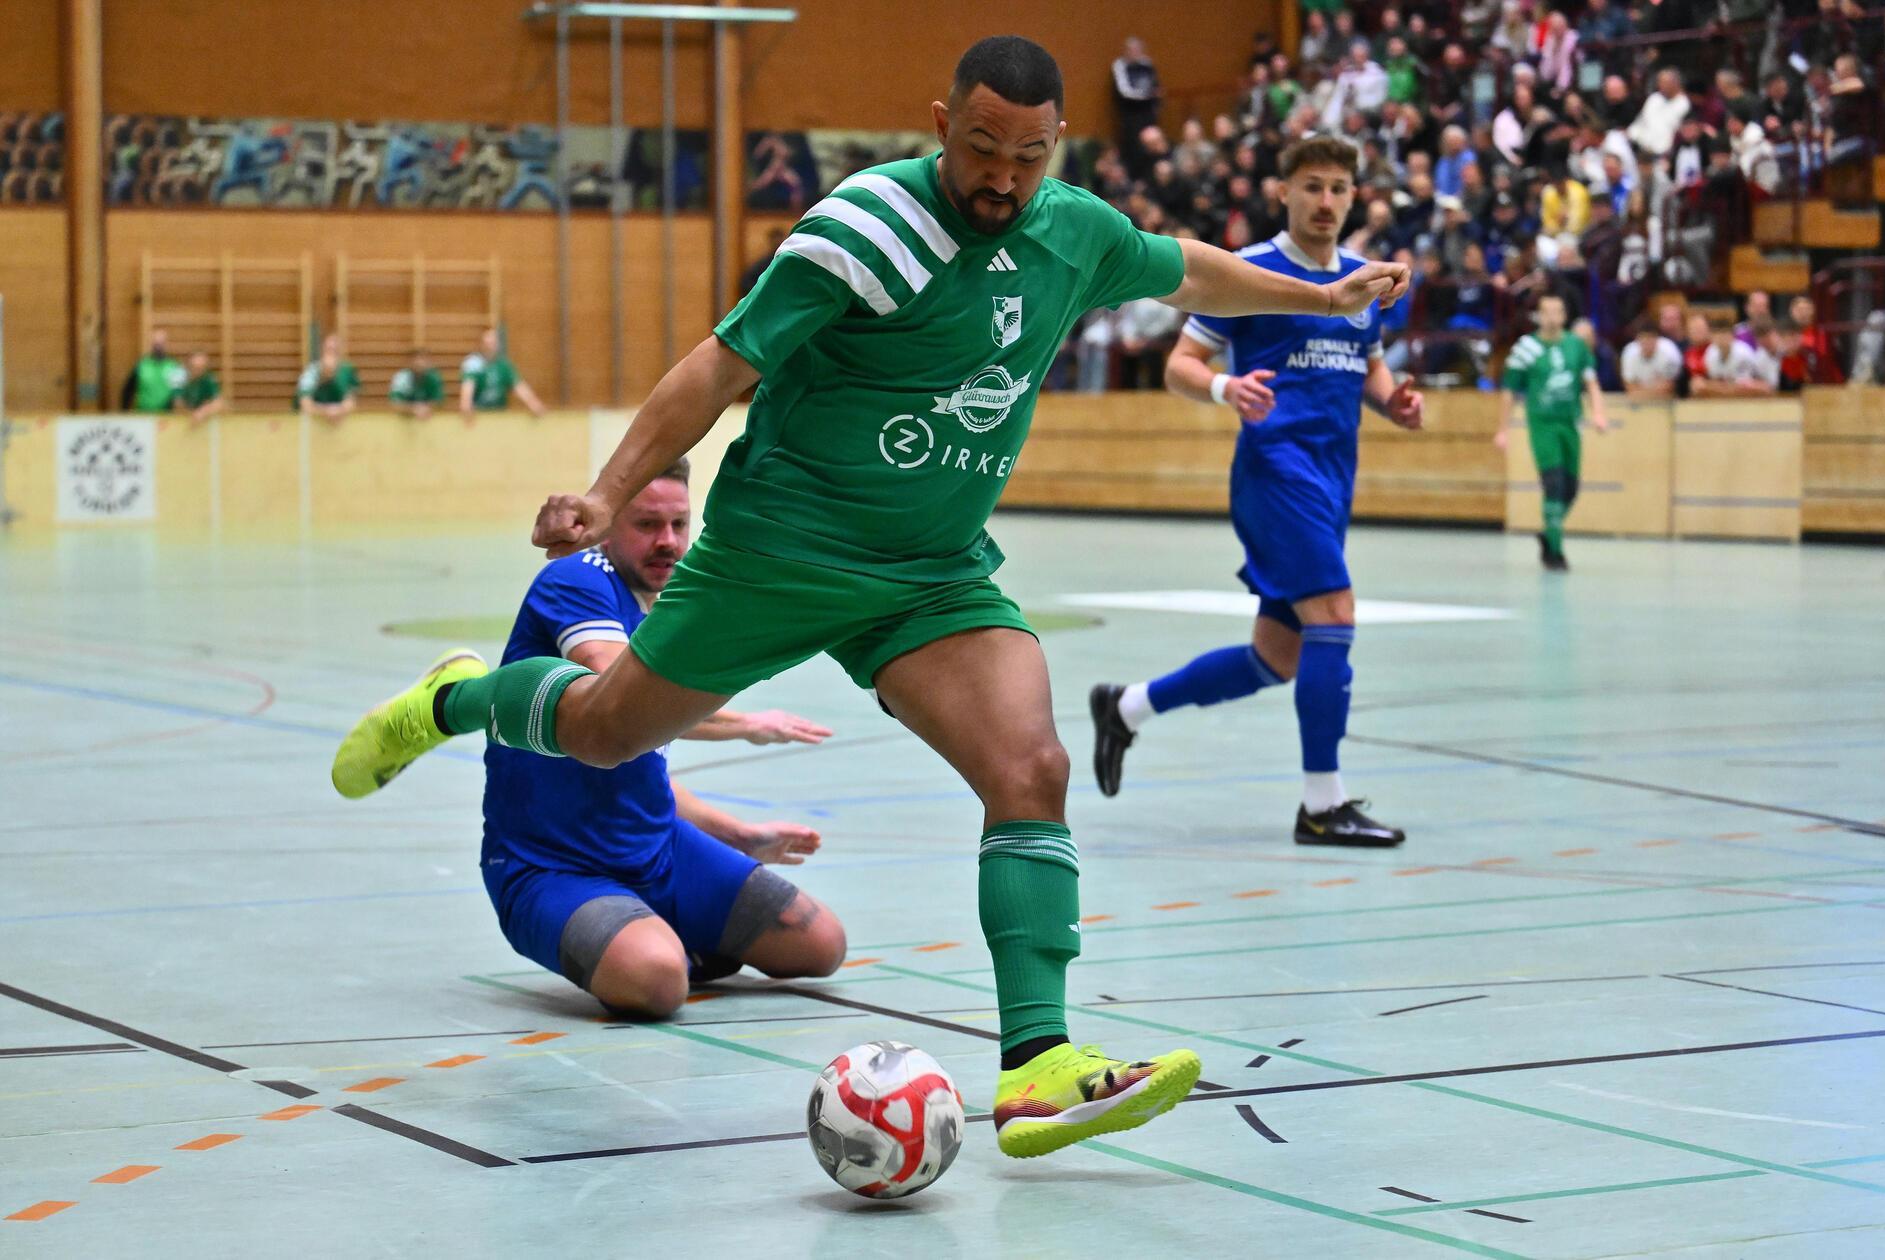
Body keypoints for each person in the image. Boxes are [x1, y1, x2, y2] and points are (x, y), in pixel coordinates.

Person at [332, 36, 1407, 1161]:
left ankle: (1037, 1064)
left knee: (1029, 768)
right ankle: (456, 701)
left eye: (1027, 156)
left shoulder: (1071, 230)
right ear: (941, 124)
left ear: (1054, 150)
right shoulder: (866, 228)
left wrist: (1318, 295)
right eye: (981, 147)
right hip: (780, 550)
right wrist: (608, 494)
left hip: (931, 571)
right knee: (602, 733)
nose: (1001, 175)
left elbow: (1185, 268)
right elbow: (719, 363)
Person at [1090, 135, 1423, 848]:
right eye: (1312, 186)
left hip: (1334, 480)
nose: (1325, 200)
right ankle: (1322, 805)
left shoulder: (1365, 280)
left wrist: (1392, 402)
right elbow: (1180, 361)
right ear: (1284, 191)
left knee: (1279, 657)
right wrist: (1222, 386)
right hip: (1275, 471)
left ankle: (1127, 708)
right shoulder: (1250, 273)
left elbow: (1368, 366)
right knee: (1335, 614)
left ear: (1354, 196)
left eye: (1338, 187)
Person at [473, 458, 844, 1015]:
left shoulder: (669, 606)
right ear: (607, 522)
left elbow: (650, 775)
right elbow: (627, 697)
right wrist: (747, 725)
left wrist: (739, 835)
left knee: (820, 944)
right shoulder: (576, 578)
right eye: (647, 525)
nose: (667, 542)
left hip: (658, 852)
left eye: (679, 524)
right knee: (658, 983)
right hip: (550, 866)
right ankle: (647, 942)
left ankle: (657, 930)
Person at [1496, 293, 1608, 571]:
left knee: (1571, 488)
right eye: (1547, 312)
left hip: (1570, 424)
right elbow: (1509, 390)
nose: (1552, 317)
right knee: (1554, 483)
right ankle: (1555, 552)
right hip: (1542, 424)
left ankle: (1548, 532)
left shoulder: (1576, 346)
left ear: (1564, 315)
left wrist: (1598, 413)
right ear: (1539, 316)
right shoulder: (1527, 348)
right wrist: (1503, 429)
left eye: (1558, 312)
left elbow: (1591, 382)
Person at [461, 328, 546, 418]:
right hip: (480, 413)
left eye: (494, 343)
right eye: (488, 343)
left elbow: (518, 386)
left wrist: (532, 403)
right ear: (482, 344)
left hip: (499, 413)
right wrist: (466, 405)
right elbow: (468, 387)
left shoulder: (503, 365)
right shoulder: (473, 363)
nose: (491, 346)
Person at [119, 327, 187, 413]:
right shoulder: (141, 365)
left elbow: (179, 394)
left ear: (167, 344)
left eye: (161, 343)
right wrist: (124, 411)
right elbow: (128, 390)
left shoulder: (175, 367)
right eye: (155, 344)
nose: (158, 347)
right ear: (151, 344)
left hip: (166, 418)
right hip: (143, 417)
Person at [296, 333, 359, 425]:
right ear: (323, 350)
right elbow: (305, 404)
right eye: (329, 349)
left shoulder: (347, 371)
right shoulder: (311, 372)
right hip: (310, 425)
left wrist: (339, 411)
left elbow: (351, 401)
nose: (332, 354)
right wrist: (326, 411)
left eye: (335, 350)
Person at [1619, 317, 1682, 399]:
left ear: (1657, 339)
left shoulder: (1670, 353)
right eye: (1643, 338)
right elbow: (1630, 388)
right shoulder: (1629, 353)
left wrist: (1641, 391)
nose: (1647, 343)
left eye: (1650, 338)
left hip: (1665, 401)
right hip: (1639, 400)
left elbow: (1668, 387)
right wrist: (1653, 391)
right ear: (1637, 339)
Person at [390, 349, 445, 420]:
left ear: (429, 362)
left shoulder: (434, 377)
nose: (419, 363)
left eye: (423, 359)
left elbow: (439, 401)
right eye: (415, 360)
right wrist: (414, 409)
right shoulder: (402, 377)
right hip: (404, 421)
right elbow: (395, 403)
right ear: (409, 363)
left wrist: (426, 408)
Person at [176, 351, 223, 424]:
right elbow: (177, 403)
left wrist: (203, 411)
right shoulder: (181, 377)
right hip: (182, 420)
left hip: (203, 420)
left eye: (201, 368)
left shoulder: (208, 378)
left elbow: (219, 403)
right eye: (195, 367)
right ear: (189, 366)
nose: (198, 371)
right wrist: (190, 412)